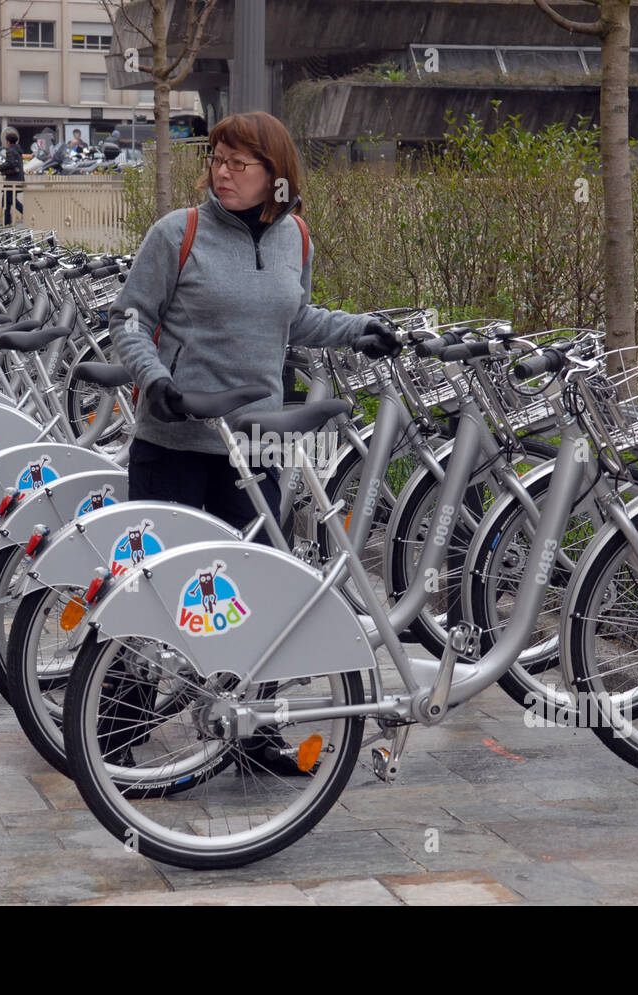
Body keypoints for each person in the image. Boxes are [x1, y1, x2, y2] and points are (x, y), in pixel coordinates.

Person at [109, 111, 398, 773]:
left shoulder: (295, 234)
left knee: (252, 591)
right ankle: (117, 723)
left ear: (277, 176)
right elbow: (130, 317)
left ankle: (247, 728)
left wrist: (359, 329)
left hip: (256, 446)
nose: (223, 173)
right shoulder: (176, 234)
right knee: (155, 591)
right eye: (217, 159)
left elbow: (292, 317)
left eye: (240, 164)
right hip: (175, 442)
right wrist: (155, 381)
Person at [0, 127, 25, 225]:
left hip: (12, 181)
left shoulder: (10, 151)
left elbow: (11, 164)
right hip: (18, 179)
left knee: (11, 200)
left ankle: (27, 214)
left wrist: (1, 167)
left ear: (8, 142)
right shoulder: (18, 150)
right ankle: (6, 222)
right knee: (6, 200)